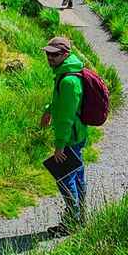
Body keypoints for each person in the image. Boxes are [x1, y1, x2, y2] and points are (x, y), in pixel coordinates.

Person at [40, 36, 89, 230]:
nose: (50, 58)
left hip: (70, 137)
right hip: (77, 134)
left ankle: (71, 222)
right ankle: (80, 218)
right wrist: (48, 109)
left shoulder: (68, 81)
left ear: (65, 54)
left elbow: (66, 117)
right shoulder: (66, 73)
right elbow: (61, 104)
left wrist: (60, 145)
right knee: (76, 175)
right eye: (48, 53)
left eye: (54, 55)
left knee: (64, 177)